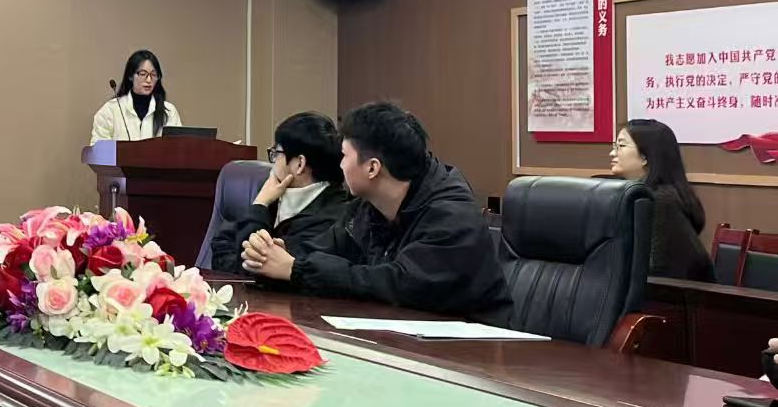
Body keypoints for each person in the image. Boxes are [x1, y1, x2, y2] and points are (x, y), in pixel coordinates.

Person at [241, 101, 511, 322]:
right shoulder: (367, 208)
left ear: (372, 168)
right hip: (402, 339)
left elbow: (396, 284)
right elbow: (323, 249)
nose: (339, 165)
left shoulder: (452, 217)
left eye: (345, 156)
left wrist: (296, 269)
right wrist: (276, 254)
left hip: (476, 355)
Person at [205, 111, 351, 273]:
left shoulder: (333, 218)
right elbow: (220, 249)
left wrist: (260, 204)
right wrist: (261, 203)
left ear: (300, 164)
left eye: (276, 153)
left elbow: (254, 267)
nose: (273, 162)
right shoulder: (274, 195)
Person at [611, 118, 713, 281]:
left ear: (645, 156)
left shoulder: (660, 201)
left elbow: (658, 270)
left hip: (680, 293)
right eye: (614, 146)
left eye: (621, 146)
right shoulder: (636, 193)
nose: (612, 153)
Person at [89, 49, 181, 142]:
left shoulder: (169, 111)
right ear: (130, 76)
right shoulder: (111, 110)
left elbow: (178, 147)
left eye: (153, 74)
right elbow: (98, 147)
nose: (149, 80)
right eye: (143, 74)